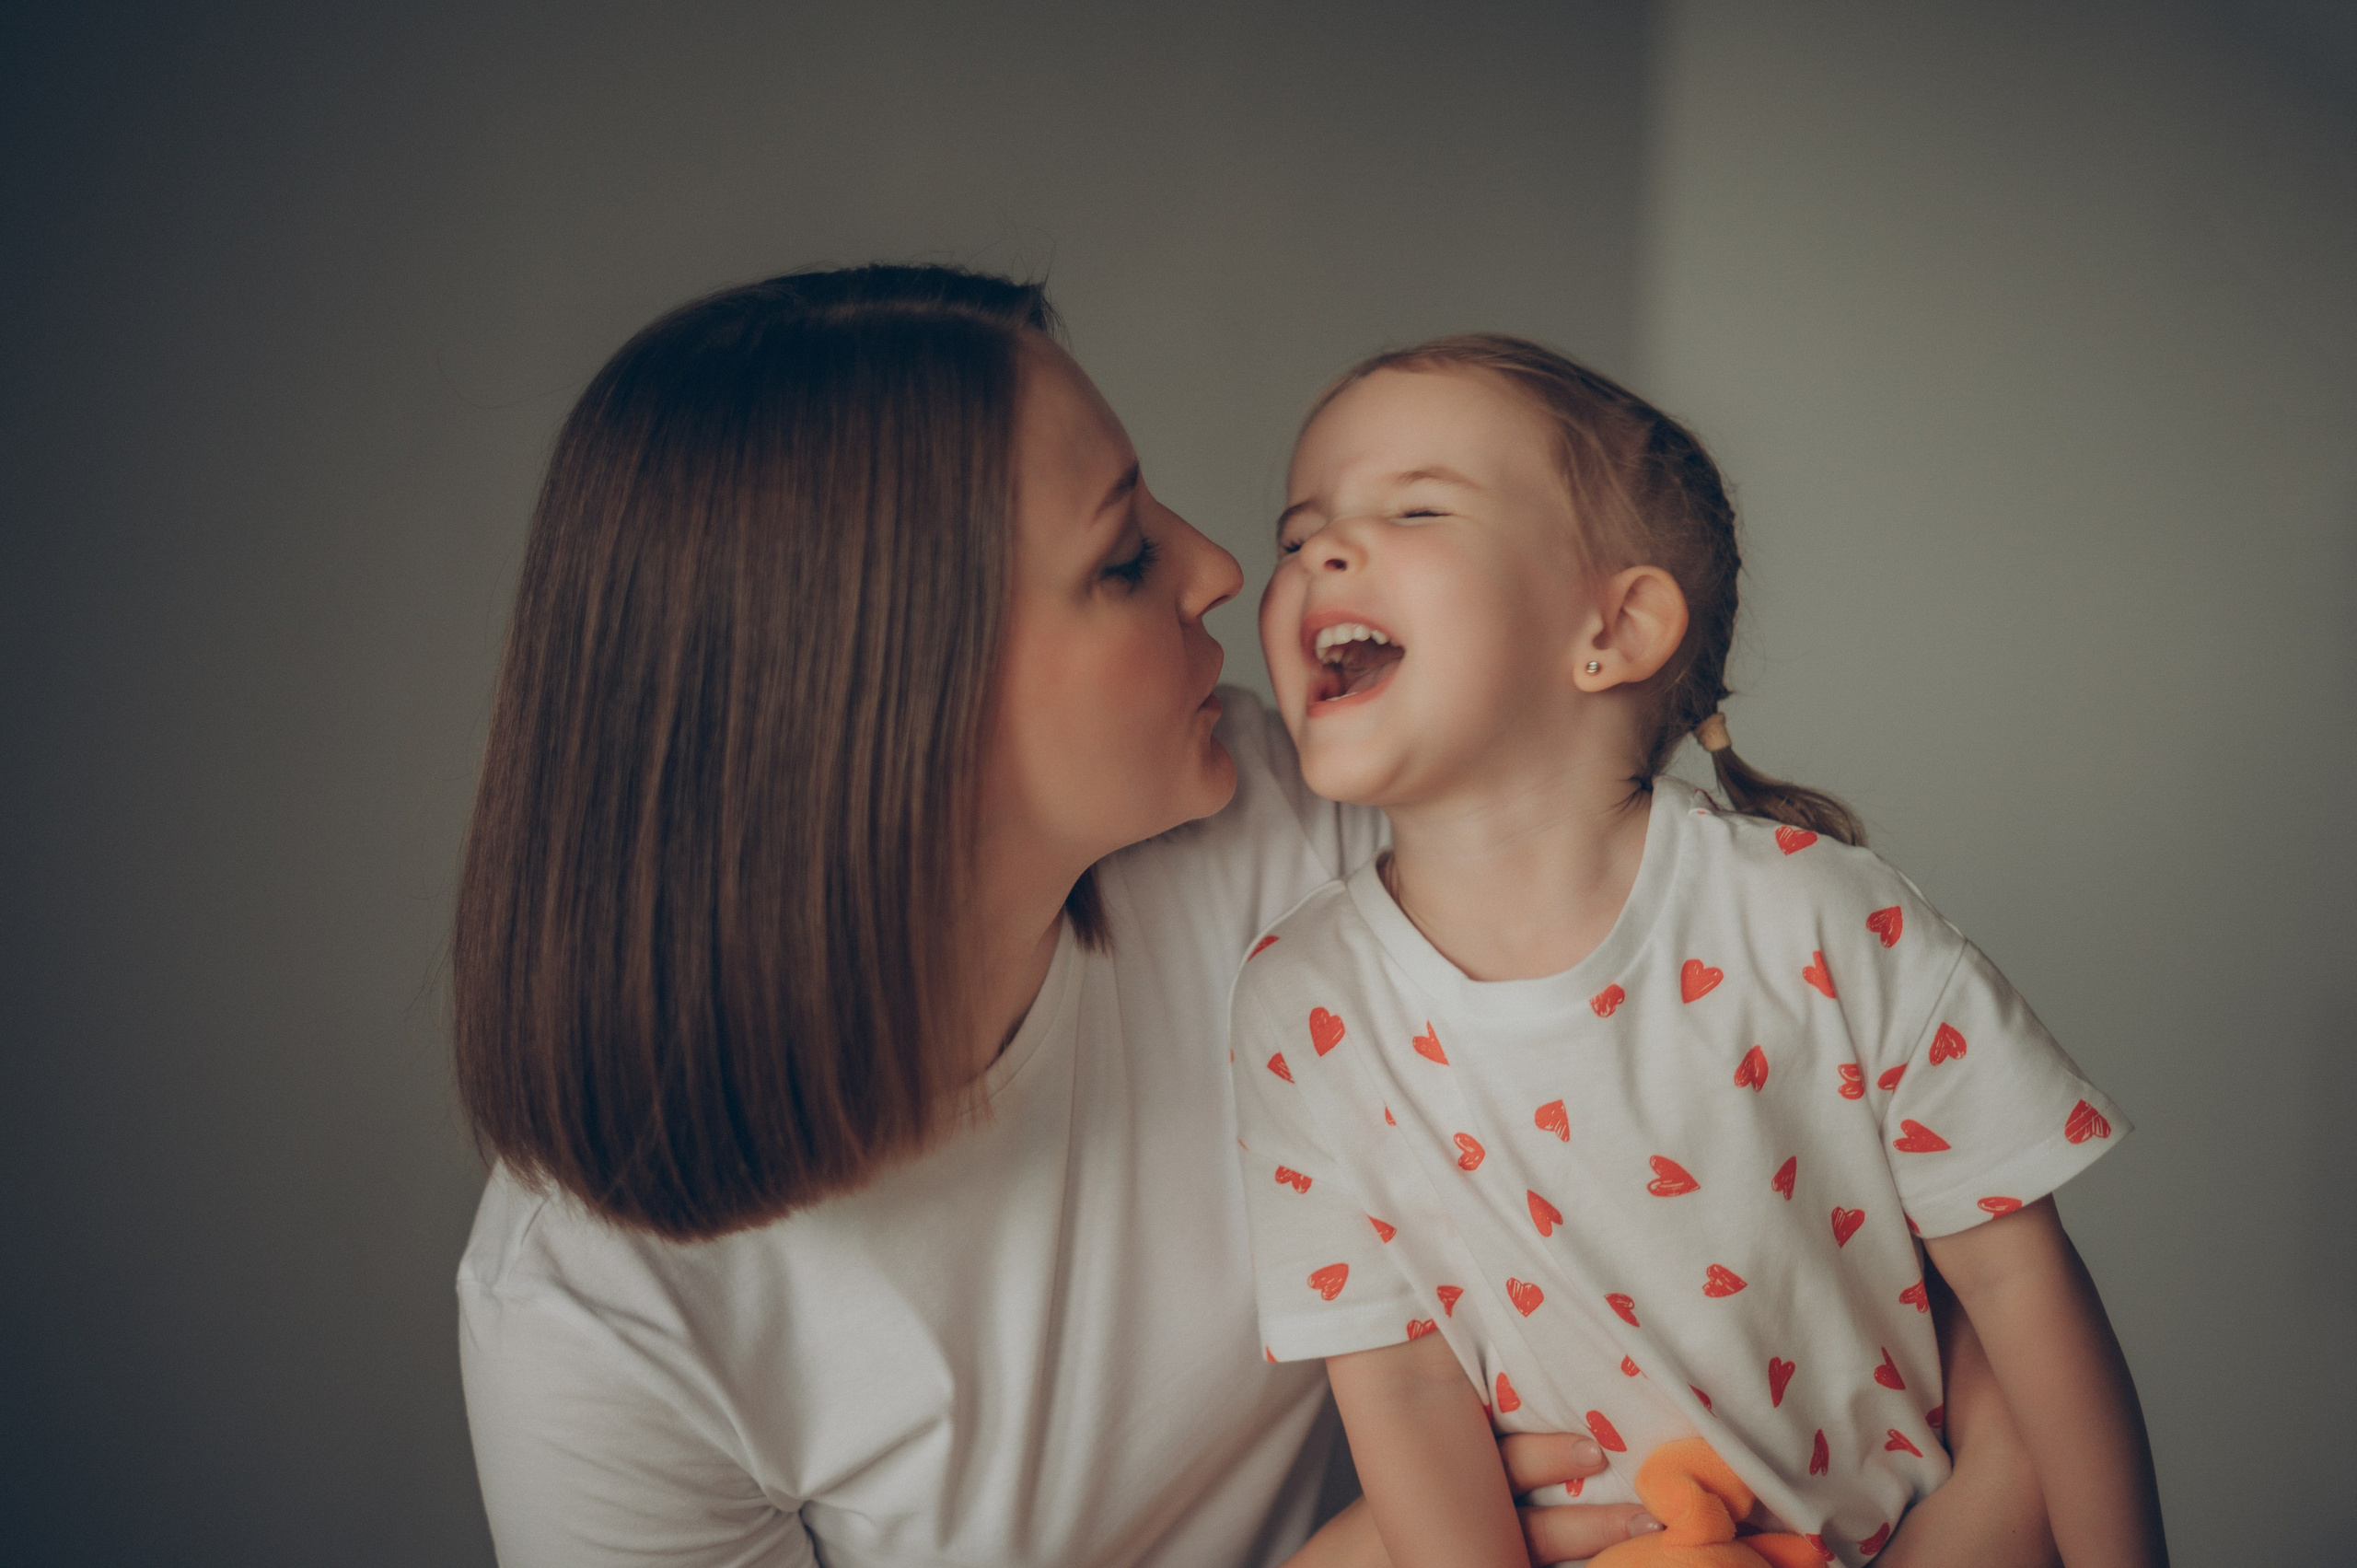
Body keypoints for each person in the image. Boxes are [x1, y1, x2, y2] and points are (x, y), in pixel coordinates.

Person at [452, 265, 2061, 1567]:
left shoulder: (1313, 849)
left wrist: (1987, 1505)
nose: (1226, 569)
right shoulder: (594, 1327)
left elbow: (1873, 1181)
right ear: (895, 709)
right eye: (1123, 555)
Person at [1227, 335, 2167, 1567]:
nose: (1319, 555)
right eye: (1299, 536)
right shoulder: (1300, 1008)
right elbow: (1403, 1399)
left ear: (1613, 629)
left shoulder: (1825, 924)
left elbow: (2026, 1306)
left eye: (1413, 508)